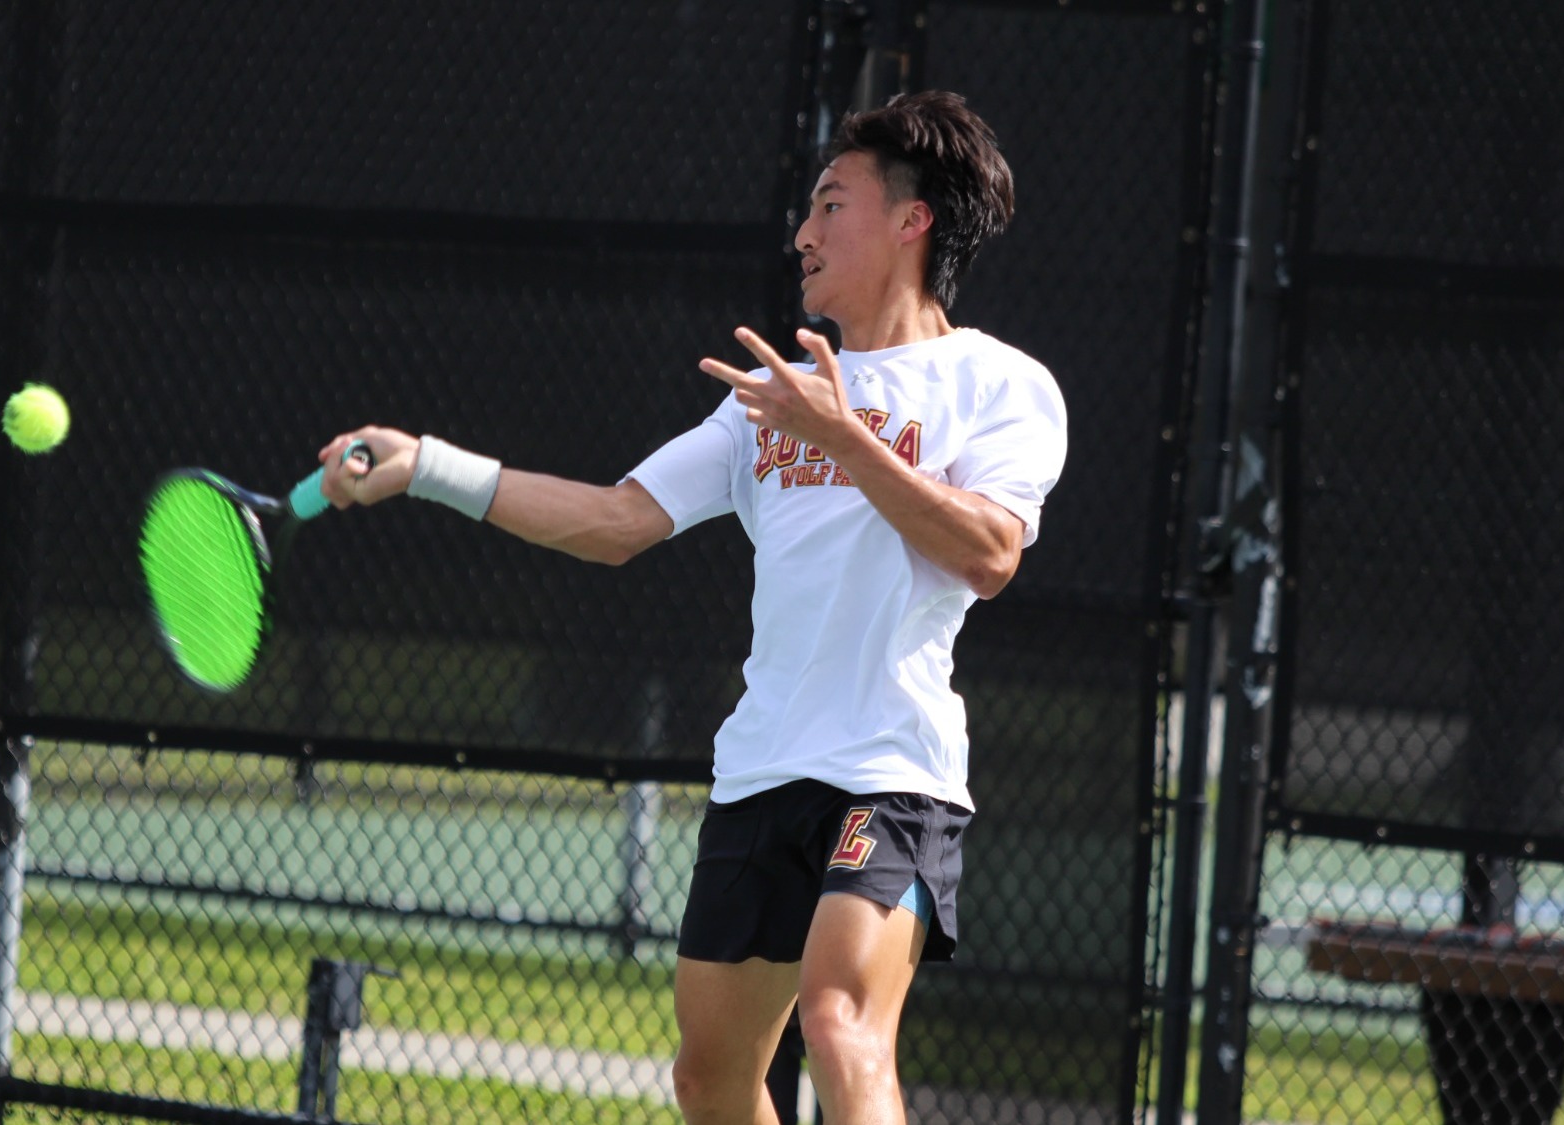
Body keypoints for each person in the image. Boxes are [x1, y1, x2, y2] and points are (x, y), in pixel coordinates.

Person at [317, 90, 1067, 1125]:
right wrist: (424, 468)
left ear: (912, 218)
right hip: (761, 771)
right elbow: (617, 519)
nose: (801, 233)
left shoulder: (998, 386)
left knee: (841, 1019)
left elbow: (987, 554)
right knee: (709, 1083)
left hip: (891, 773)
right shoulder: (763, 399)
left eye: (829, 203)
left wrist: (847, 437)